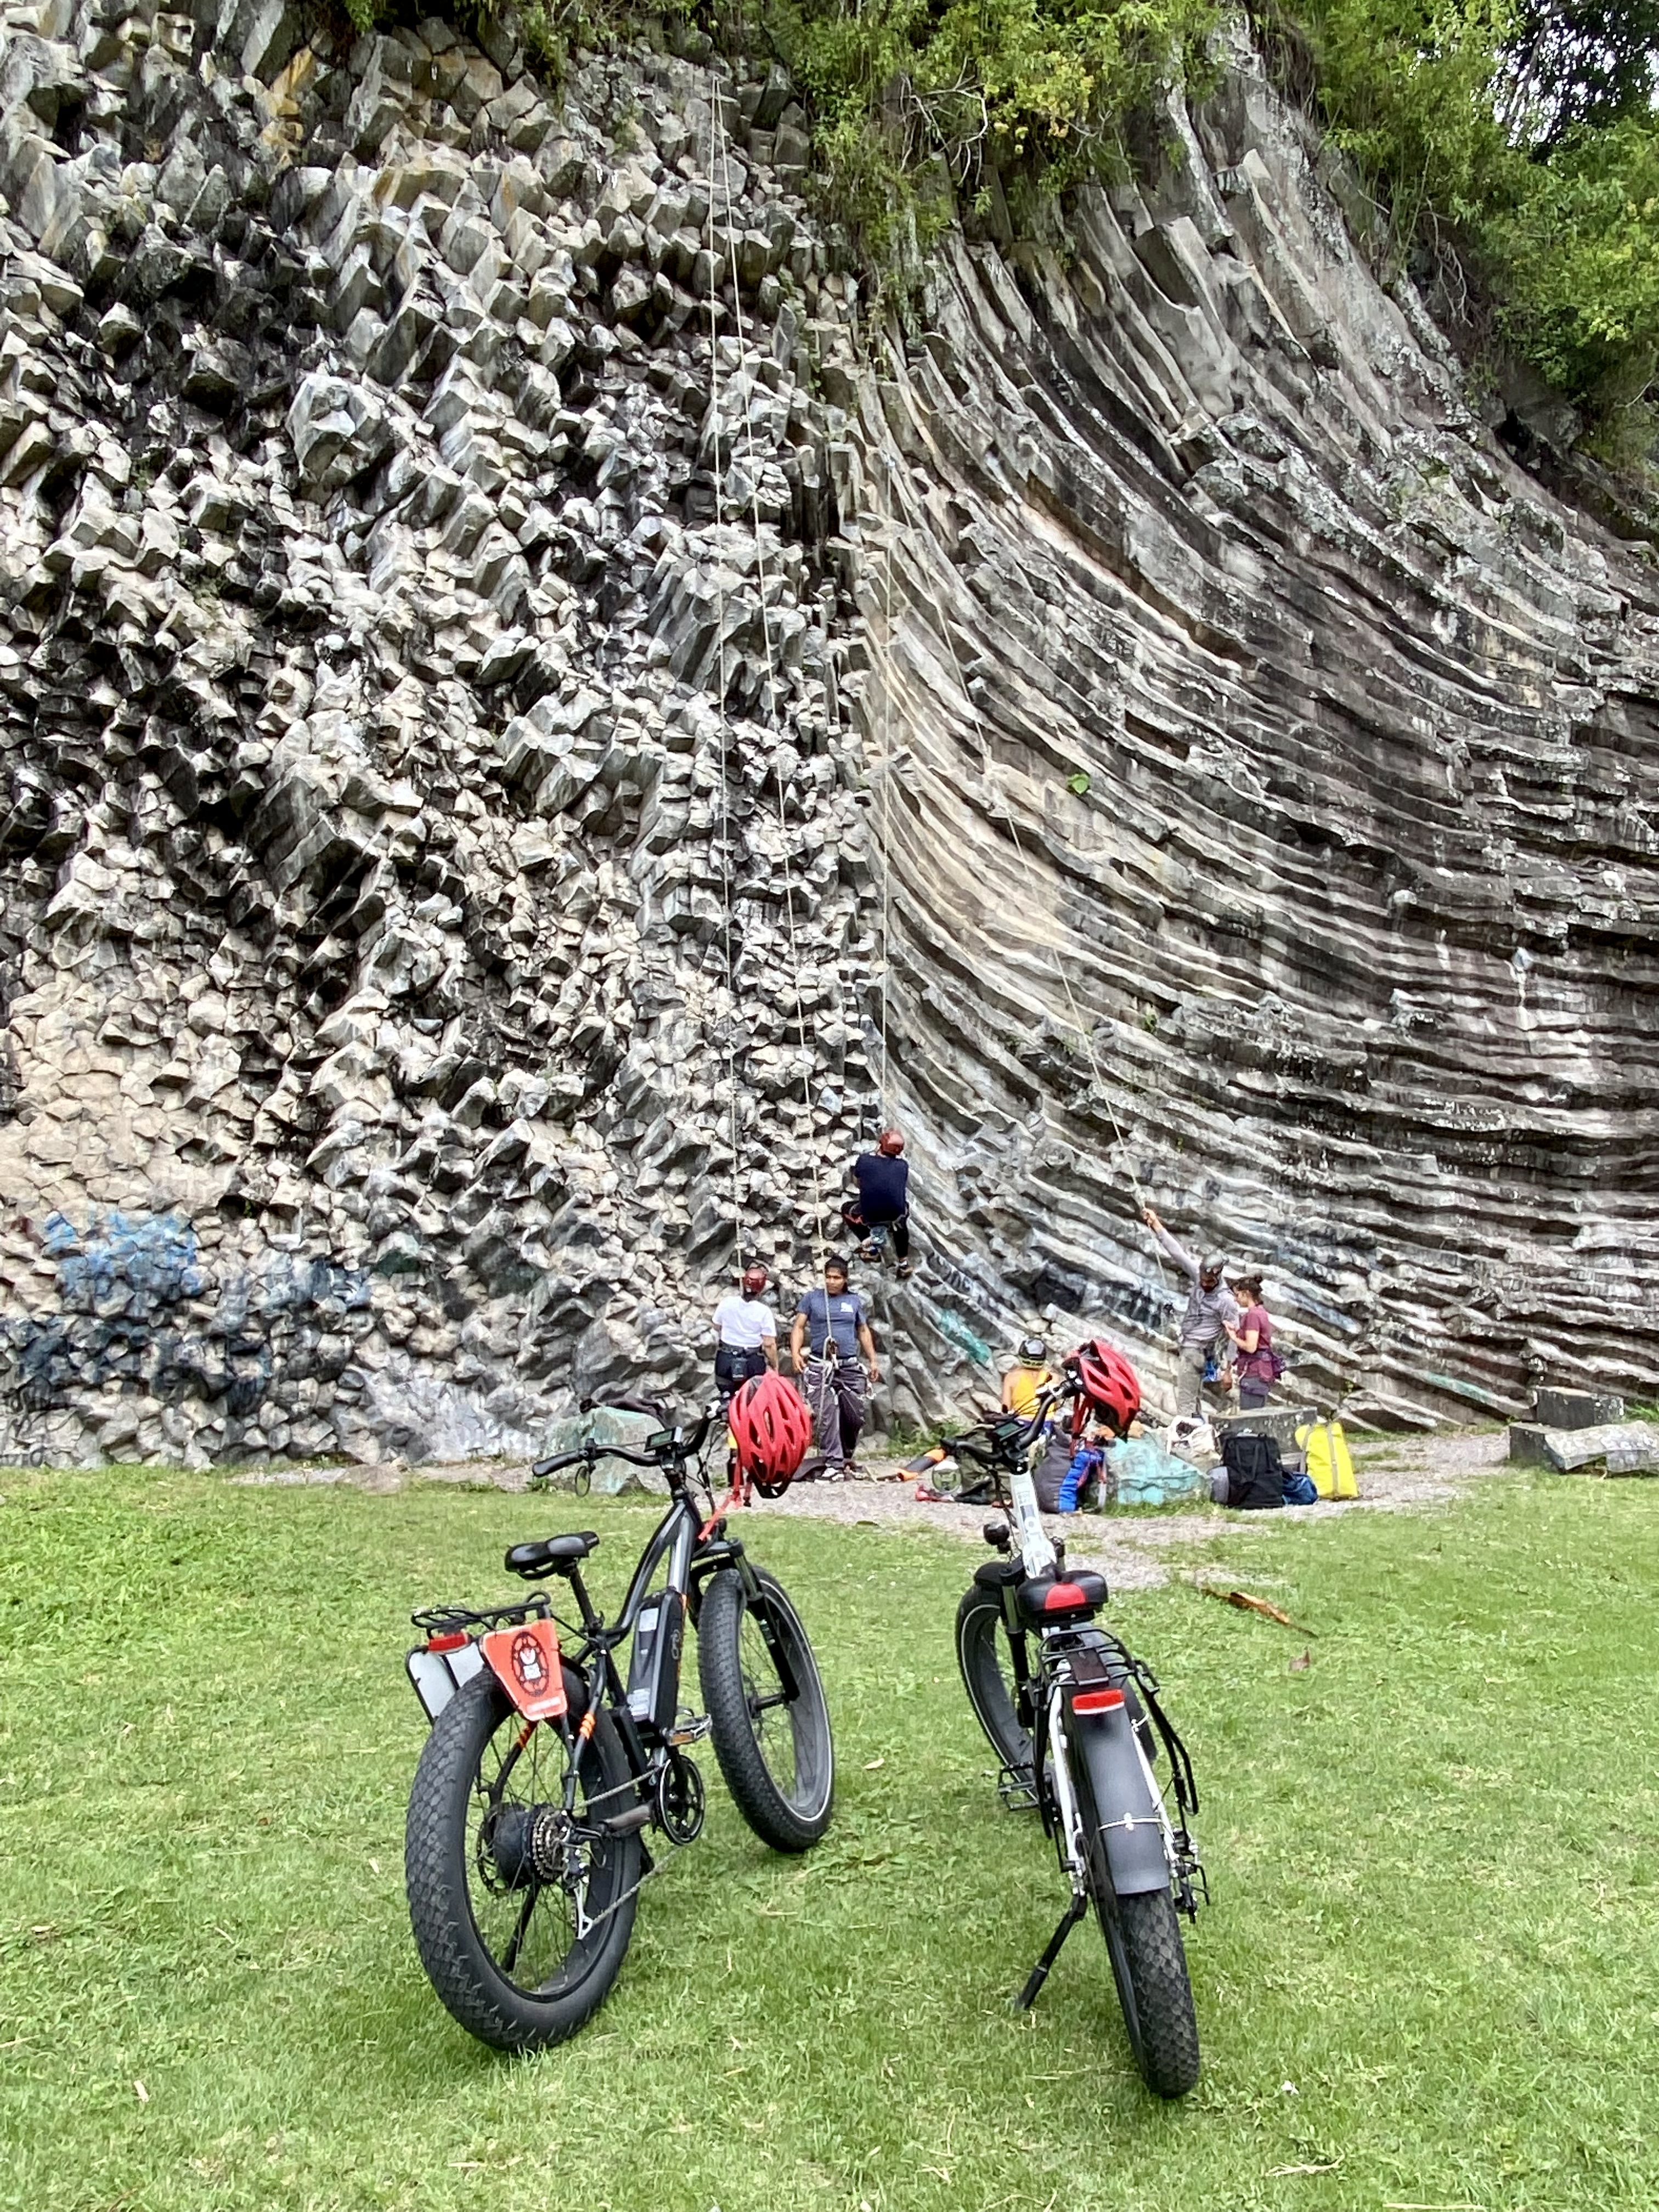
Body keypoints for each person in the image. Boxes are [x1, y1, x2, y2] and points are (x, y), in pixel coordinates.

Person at [1142, 1206, 1242, 1417]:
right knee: (1193, 1400)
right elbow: (1177, 1253)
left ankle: (1187, 1428)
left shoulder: (1226, 1301)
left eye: (1209, 1282)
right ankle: (1197, 1429)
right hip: (1188, 1347)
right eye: (1202, 1279)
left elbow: (1234, 1337)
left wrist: (1228, 1371)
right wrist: (1156, 1224)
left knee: (1186, 1403)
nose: (1204, 1284)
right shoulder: (1198, 1274)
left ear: (1218, 1277)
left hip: (1199, 1351)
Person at [790, 1256, 881, 1477]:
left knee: (855, 1415)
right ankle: (834, 1463)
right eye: (828, 1277)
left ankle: (845, 1456)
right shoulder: (812, 1299)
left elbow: (863, 1330)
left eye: (837, 1278)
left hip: (849, 1365)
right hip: (820, 1365)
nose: (831, 1282)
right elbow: (799, 1327)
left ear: (845, 1279)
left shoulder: (853, 1301)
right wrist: (795, 1353)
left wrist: (873, 1360)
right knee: (827, 1414)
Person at [711, 1263, 778, 1404]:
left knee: (726, 1398)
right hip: (752, 1362)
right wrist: (775, 1366)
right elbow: (769, 1344)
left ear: (743, 1282)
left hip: (726, 1359)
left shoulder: (726, 1303)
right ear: (762, 1287)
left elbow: (716, 1326)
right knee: (752, 1401)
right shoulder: (764, 1312)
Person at [851, 1128, 912, 1280]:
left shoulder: (864, 1160)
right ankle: (904, 1263)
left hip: (871, 1214)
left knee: (847, 1210)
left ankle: (872, 1250)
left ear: (881, 1144)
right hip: (895, 1214)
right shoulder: (903, 1165)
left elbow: (857, 1183)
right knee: (902, 1216)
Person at [1227, 1273, 1277, 1410]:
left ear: (1246, 1294)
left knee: (1250, 1416)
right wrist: (1238, 1332)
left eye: (1237, 1295)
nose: (1235, 1299)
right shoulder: (1261, 1312)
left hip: (1254, 1372)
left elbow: (1251, 1347)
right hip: (1261, 1372)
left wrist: (1234, 1337)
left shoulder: (1253, 1315)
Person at [1001, 1335, 1057, 1419]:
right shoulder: (1053, 1377)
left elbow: (1006, 1409)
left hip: (1023, 1422)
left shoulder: (1011, 1377)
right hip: (1046, 1421)